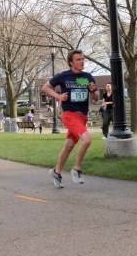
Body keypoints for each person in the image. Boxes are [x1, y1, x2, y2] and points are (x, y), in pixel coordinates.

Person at [42, 50, 99, 188]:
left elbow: (96, 99)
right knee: (86, 140)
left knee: (69, 146)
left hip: (82, 117)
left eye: (83, 59)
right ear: (71, 62)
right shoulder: (64, 76)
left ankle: (56, 172)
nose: (82, 61)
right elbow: (46, 87)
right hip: (69, 115)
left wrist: (93, 90)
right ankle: (76, 169)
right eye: (78, 59)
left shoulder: (87, 77)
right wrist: (58, 97)